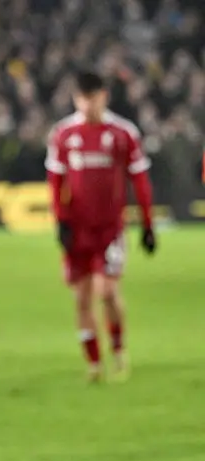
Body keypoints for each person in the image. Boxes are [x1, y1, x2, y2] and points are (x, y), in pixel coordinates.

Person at [45, 71, 156, 382]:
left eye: (92, 98)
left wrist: (148, 224)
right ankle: (93, 362)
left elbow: (140, 179)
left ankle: (119, 350)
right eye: (81, 99)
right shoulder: (63, 134)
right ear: (75, 99)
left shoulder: (122, 132)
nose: (87, 105)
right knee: (81, 297)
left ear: (103, 97)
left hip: (109, 230)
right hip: (77, 229)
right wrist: (61, 220)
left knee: (106, 291)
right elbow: (55, 182)